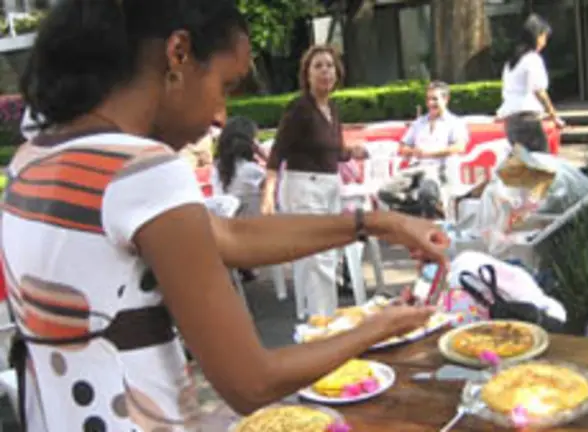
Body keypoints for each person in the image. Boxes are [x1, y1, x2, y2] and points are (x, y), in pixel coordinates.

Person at [3, 1, 447, 430]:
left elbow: (227, 235)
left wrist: (377, 223)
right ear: (178, 54)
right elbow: (252, 382)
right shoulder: (140, 168)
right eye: (225, 87)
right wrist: (381, 326)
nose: (220, 117)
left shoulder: (34, 157)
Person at [261, 45, 368, 317]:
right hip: (303, 187)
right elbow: (278, 152)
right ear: (306, 74)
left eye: (329, 66)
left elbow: (332, 150)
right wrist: (268, 194)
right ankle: (322, 322)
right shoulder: (299, 108)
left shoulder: (332, 108)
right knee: (318, 259)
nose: (325, 72)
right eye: (318, 66)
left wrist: (351, 152)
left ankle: (324, 318)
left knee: (328, 255)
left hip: (330, 185)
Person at [377, 81, 469, 219]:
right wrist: (414, 151)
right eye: (428, 99)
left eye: (435, 99)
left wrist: (431, 153)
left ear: (446, 99)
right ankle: (418, 210)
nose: (430, 103)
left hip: (438, 168)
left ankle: (431, 218)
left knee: (427, 192)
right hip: (416, 168)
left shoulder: (454, 123)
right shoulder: (419, 123)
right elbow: (402, 147)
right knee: (385, 192)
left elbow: (459, 147)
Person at [495, 14, 563, 152]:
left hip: (511, 122)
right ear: (537, 37)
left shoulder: (511, 62)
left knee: (523, 166)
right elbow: (539, 91)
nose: (545, 42)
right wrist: (554, 115)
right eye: (544, 37)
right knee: (540, 164)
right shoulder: (533, 59)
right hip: (528, 120)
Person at [212, 116, 265, 216]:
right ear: (251, 142)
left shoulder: (217, 167)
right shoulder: (250, 170)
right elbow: (278, 188)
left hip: (230, 223)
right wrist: (265, 155)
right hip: (253, 223)